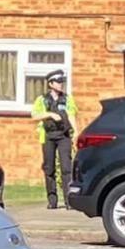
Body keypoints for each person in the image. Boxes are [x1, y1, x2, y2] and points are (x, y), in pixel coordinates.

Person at [31, 69, 78, 209]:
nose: (60, 84)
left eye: (61, 82)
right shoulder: (42, 99)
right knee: (49, 168)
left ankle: (69, 201)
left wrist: (75, 132)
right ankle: (52, 200)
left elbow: (71, 115)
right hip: (48, 136)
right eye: (58, 82)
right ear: (50, 84)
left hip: (63, 136)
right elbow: (34, 116)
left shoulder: (67, 99)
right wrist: (50, 114)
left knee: (66, 168)